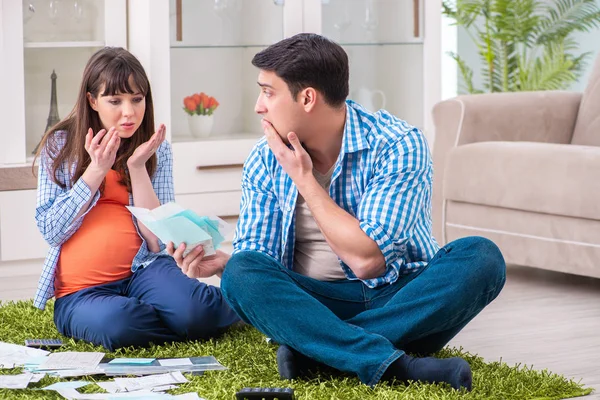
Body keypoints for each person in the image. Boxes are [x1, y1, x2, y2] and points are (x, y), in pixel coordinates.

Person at [169, 33, 506, 391]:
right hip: (315, 302)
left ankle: (319, 352)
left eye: (268, 92)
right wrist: (224, 264)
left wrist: (304, 179)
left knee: (482, 257)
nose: (258, 105)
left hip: (400, 295)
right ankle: (397, 365)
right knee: (241, 271)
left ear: (308, 98)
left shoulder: (398, 144)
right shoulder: (264, 156)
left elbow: (368, 261)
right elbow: (260, 260)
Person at [33, 47, 239, 351]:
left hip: (145, 270)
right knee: (118, 326)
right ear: (92, 100)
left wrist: (137, 168)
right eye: (115, 101)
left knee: (196, 312)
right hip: (82, 291)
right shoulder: (60, 144)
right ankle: (177, 316)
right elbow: (51, 231)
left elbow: (157, 241)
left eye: (137, 99)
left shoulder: (156, 149)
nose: (129, 112)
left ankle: (199, 312)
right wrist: (96, 171)